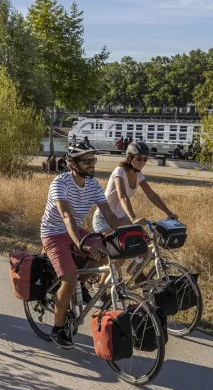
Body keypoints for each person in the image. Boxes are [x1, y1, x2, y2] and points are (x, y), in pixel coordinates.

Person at [40, 141, 122, 349]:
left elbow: (108, 213)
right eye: (87, 161)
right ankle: (58, 329)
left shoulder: (93, 185)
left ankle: (82, 284)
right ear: (73, 164)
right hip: (54, 234)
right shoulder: (60, 183)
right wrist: (81, 244)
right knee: (68, 279)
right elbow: (66, 216)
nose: (91, 164)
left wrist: (123, 233)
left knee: (105, 252)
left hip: (76, 231)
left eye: (93, 160)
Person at [92, 141, 178, 235]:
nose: (142, 162)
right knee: (117, 244)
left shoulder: (139, 175)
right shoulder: (120, 171)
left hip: (122, 217)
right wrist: (133, 218)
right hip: (104, 218)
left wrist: (169, 213)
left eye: (145, 159)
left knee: (145, 240)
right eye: (139, 158)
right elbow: (123, 196)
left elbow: (151, 195)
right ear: (129, 158)